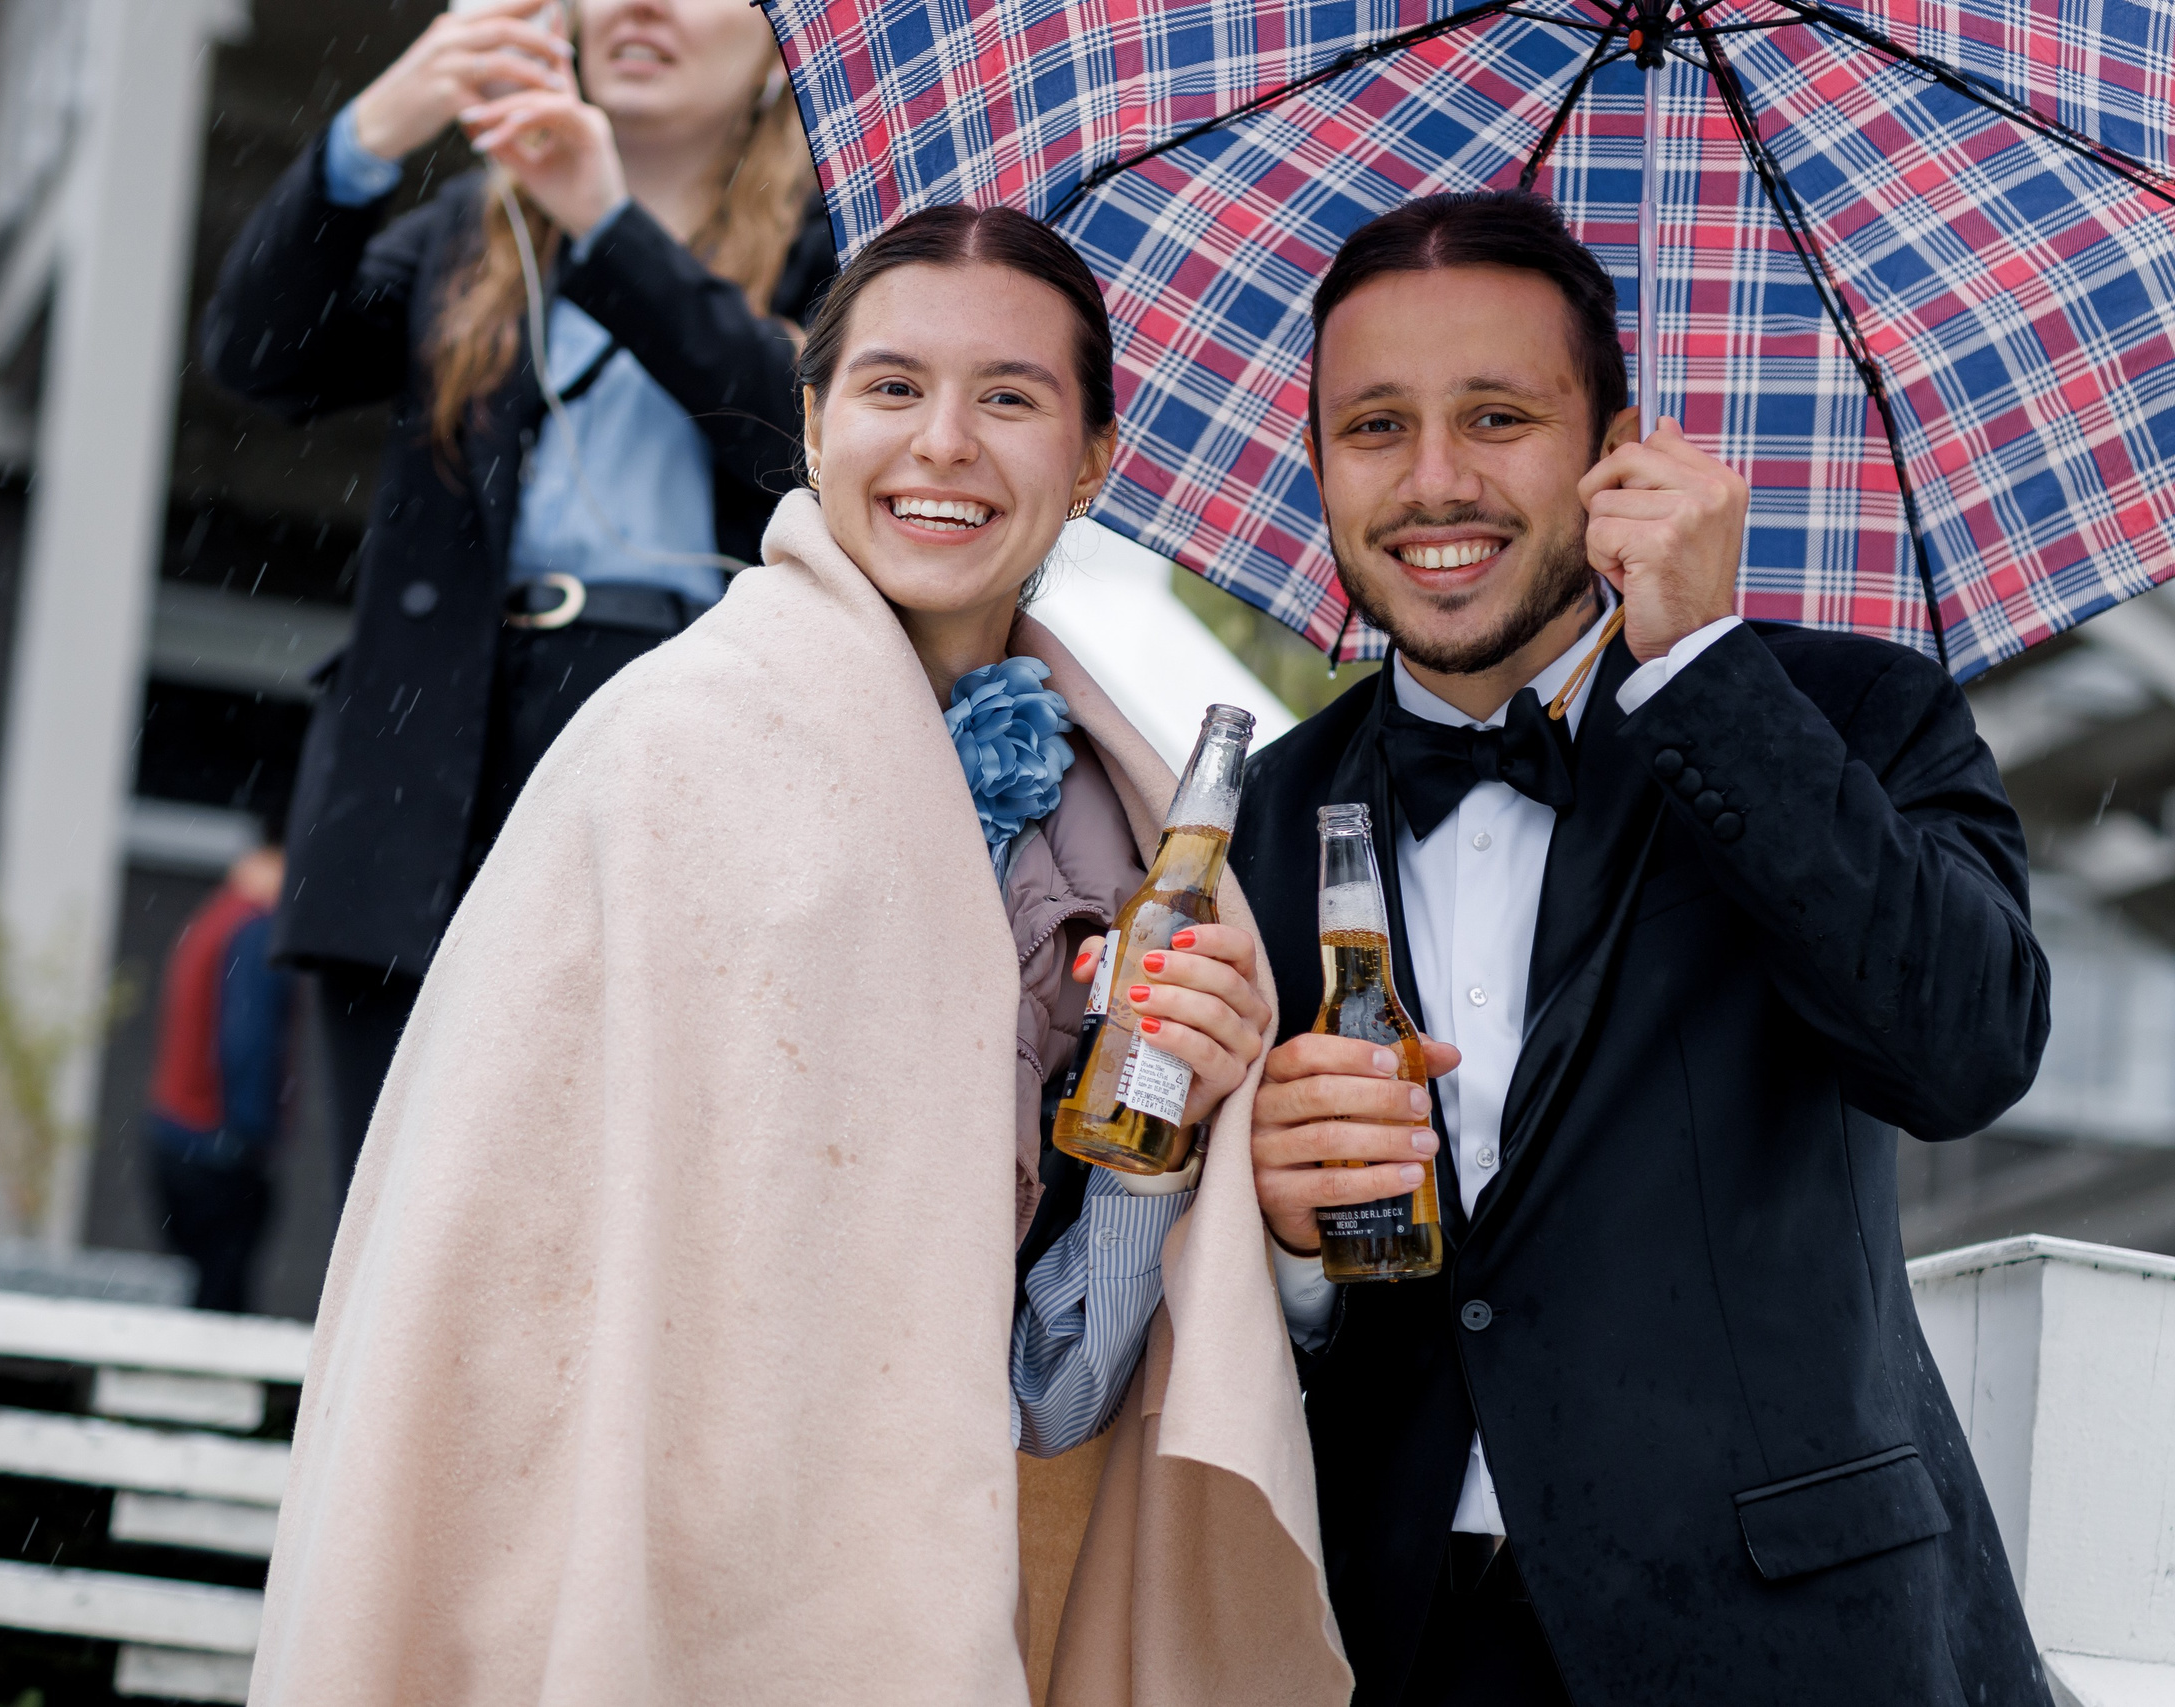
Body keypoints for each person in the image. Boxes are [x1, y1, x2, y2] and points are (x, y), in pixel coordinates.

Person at [248, 206, 1345, 1705]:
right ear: (815, 424)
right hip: (653, 1589)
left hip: (917, 1615)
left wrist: (1165, 1149)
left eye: (1011, 397)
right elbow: (502, 1304)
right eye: (893, 388)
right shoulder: (665, 753)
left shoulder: (1139, 838)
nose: (943, 443)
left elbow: (1049, 1394)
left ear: (1097, 456)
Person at [1232, 189, 2050, 1707]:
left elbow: (1965, 1050)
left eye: (1497, 416)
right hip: (1385, 1647)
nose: (1433, 481)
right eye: (1375, 427)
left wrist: (1702, 664)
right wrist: (1281, 1243)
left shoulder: (1858, 715)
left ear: (1612, 442)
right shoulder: (1249, 824)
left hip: (1793, 1649)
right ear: (1319, 461)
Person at [200, 0, 837, 1191]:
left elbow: (805, 442)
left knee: (610, 1214)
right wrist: (377, 128)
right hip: (426, 758)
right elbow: (262, 356)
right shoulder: (474, 229)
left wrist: (606, 223)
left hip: (675, 750)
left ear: (778, 46)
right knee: (396, 1219)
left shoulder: (835, 248)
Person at [145, 841, 295, 1314]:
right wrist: (253, 1141)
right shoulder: (253, 927)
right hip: (217, 1147)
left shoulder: (215, 914)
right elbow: (248, 1041)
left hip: (175, 1137)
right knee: (221, 1304)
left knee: (197, 1292)